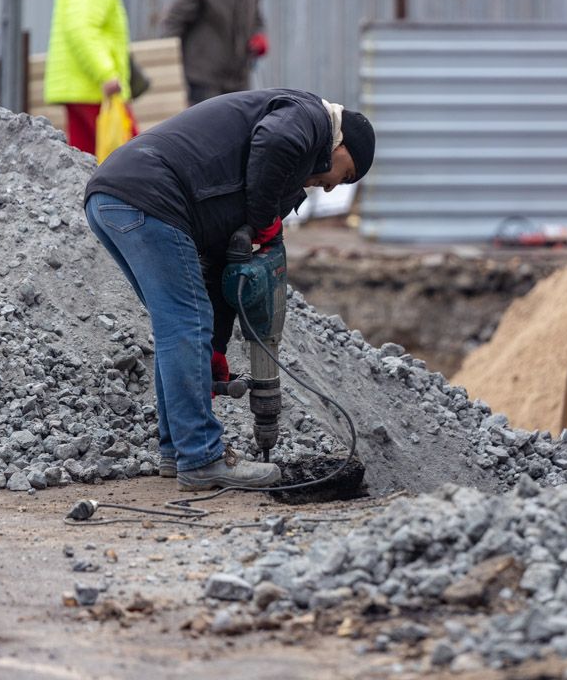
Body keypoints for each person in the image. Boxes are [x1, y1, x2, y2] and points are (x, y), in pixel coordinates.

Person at [83, 89, 376, 489]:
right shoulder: (309, 118)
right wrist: (264, 220)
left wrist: (216, 347)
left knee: (181, 324)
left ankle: (177, 452)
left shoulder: (273, 178)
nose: (329, 189)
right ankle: (201, 458)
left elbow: (216, 265)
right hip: (147, 197)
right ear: (341, 145)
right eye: (344, 175)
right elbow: (274, 141)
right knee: (185, 323)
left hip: (117, 199)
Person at [44, 0, 137, 155]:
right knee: (130, 155)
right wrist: (106, 73)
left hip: (82, 85)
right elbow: (82, 28)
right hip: (93, 86)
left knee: (85, 158)